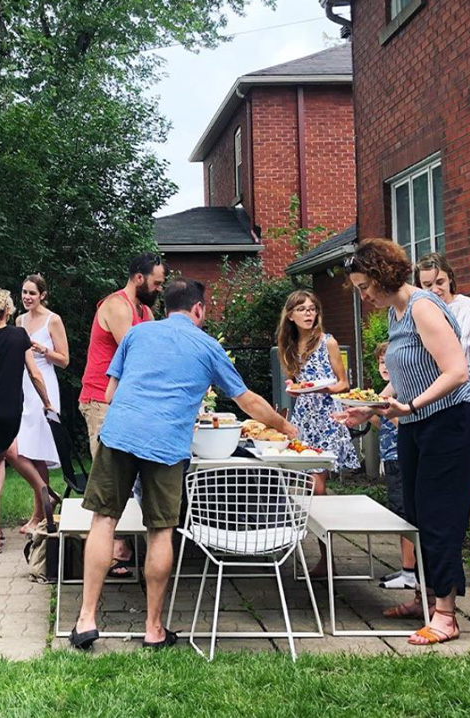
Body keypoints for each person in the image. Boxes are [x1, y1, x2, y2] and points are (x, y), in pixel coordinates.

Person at [69, 279, 299, 651]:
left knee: (104, 521)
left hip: (120, 433)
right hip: (166, 444)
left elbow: (110, 393)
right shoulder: (207, 346)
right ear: (198, 310)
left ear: (166, 308)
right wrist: (285, 426)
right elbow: (248, 402)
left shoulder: (137, 335)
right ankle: (153, 629)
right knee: (160, 530)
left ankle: (85, 621)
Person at [335, 239, 470, 646]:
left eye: (365, 286)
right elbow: (405, 375)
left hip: (454, 421)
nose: (363, 295)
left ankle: (447, 616)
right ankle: (423, 598)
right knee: (415, 514)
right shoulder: (395, 312)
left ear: (384, 276)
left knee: (440, 517)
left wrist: (409, 405)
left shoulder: (423, 306)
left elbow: (456, 372)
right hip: (418, 422)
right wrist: (371, 407)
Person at [79, 252, 164, 574]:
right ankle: (112, 552)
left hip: (130, 403)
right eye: (156, 283)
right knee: (109, 480)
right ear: (139, 278)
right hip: (102, 400)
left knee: (134, 475)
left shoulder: (145, 310)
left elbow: (158, 350)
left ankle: (124, 544)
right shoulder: (116, 306)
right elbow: (139, 355)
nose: (159, 289)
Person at [415, 253, 470, 602]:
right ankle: (442, 576)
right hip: (438, 409)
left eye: (439, 282)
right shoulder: (420, 314)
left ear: (451, 279)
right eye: (427, 285)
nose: (435, 289)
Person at [0, 289, 58, 554]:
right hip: (10, 411)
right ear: (8, 310)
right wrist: (47, 402)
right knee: (6, 456)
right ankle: (42, 495)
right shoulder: (19, 336)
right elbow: (35, 373)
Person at [275, 290, 357, 575]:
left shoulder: (328, 342)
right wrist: (292, 386)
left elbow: (343, 383)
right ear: (291, 315)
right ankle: (314, 550)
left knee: (316, 486)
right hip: (304, 418)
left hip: (326, 416)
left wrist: (323, 387)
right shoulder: (287, 345)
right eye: (302, 309)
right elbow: (294, 382)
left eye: (312, 309)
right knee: (306, 485)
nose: (309, 314)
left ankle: (325, 556)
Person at [15, 274, 69, 534]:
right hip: (24, 384)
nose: (27, 297)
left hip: (44, 382)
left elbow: (64, 359)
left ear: (43, 295)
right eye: (24, 292)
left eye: (32, 293)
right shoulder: (19, 320)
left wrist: (43, 350)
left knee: (36, 451)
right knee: (24, 450)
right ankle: (43, 505)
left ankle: (39, 515)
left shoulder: (53, 320)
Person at [370, 342, 416, 590]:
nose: (385, 367)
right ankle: (406, 568)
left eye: (389, 362)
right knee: (399, 512)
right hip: (390, 458)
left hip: (401, 459)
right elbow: (381, 425)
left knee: (404, 516)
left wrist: (389, 413)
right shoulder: (386, 393)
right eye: (381, 362)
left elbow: (403, 425)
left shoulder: (401, 395)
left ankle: (410, 572)